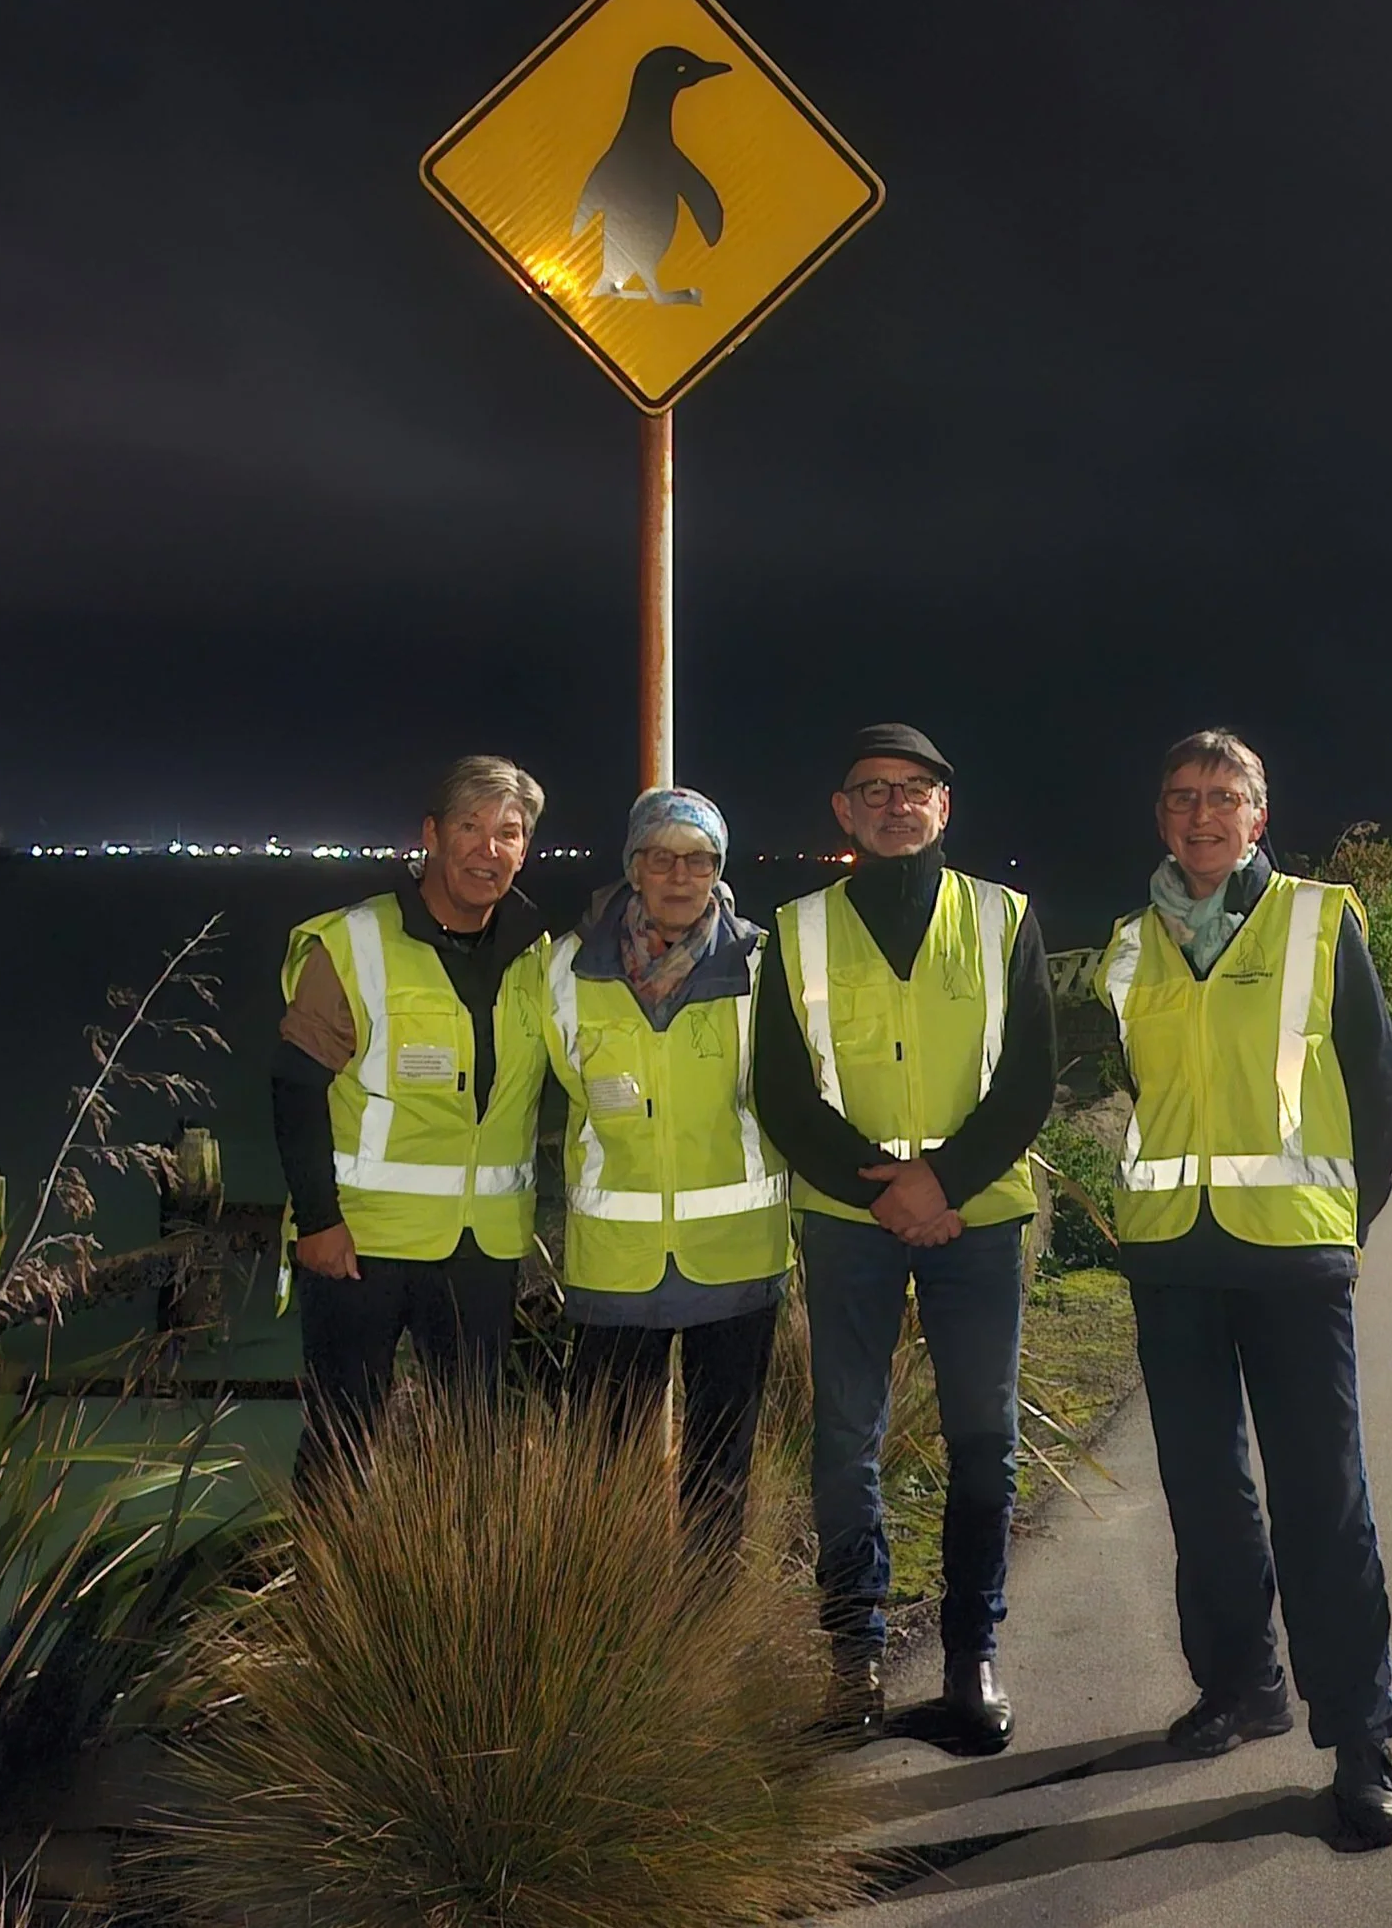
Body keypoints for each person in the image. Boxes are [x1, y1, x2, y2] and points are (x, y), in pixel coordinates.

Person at [1093, 728, 1392, 1848]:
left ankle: (1361, 1737)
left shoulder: (1321, 920)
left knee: (1322, 1497)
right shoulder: (1125, 949)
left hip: (1292, 1254)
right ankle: (1239, 1684)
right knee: (1204, 1489)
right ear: (1160, 815)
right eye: (1180, 797)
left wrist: (1342, 1224)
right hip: (1173, 1255)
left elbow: (1376, 1088)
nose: (1199, 816)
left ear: (1257, 816)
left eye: (1222, 798)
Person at [754, 724, 1055, 1751]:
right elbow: (783, 1093)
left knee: (983, 1441)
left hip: (975, 1211)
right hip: (849, 1220)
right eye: (871, 789)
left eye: (913, 786)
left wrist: (942, 1180)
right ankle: (856, 1658)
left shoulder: (1002, 914)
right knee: (845, 1442)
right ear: (842, 810)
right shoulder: (792, 930)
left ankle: (971, 1656)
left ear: (943, 804)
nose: (893, 803)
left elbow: (1029, 1082)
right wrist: (883, 1192)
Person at [271, 755, 552, 1489]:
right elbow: (296, 1086)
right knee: (340, 1439)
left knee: (475, 1447)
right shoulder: (357, 943)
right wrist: (318, 1219)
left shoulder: (539, 955)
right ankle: (326, 1599)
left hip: (481, 1246)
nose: (489, 849)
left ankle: (455, 1597)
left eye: (509, 833)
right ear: (431, 834)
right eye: (470, 826)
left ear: (525, 850)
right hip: (362, 1242)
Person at [540, 786, 790, 1552]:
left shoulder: (762, 967)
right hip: (614, 1261)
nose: (681, 875)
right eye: (662, 857)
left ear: (719, 870)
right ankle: (612, 1616)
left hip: (736, 1257)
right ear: (634, 865)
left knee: (720, 1469)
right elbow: (550, 1086)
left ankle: (702, 1631)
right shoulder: (567, 970)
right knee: (603, 1466)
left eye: (700, 859)